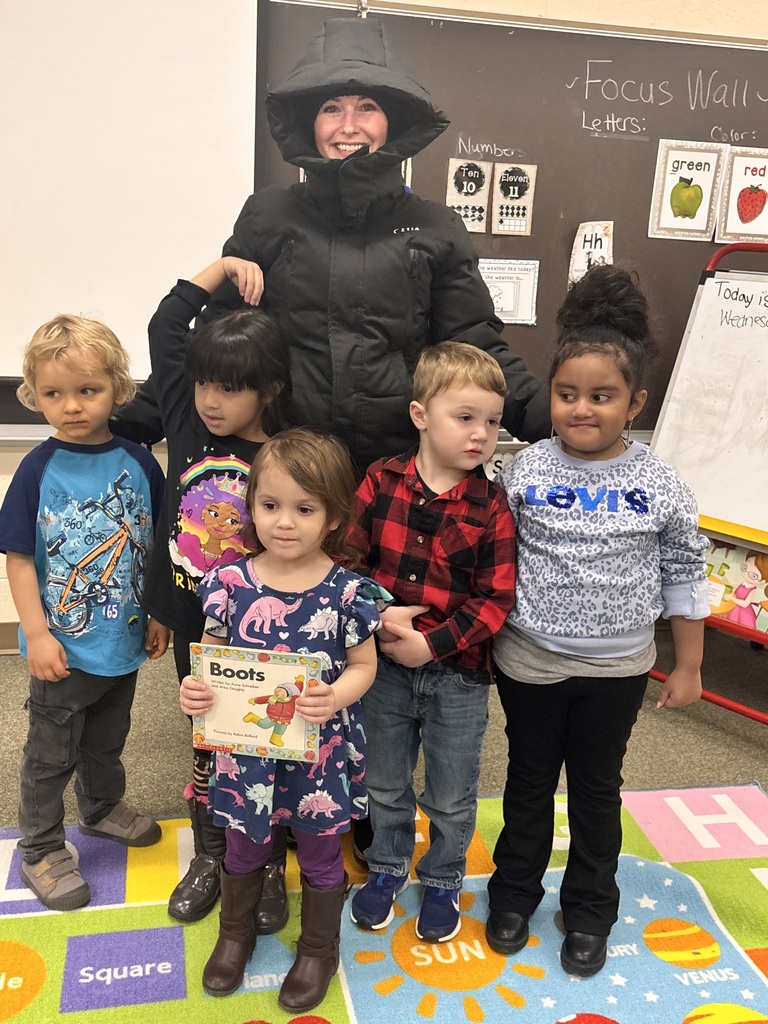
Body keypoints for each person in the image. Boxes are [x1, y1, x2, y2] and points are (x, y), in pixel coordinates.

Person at [113, 15, 549, 474]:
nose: (348, 126)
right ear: (309, 121)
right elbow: (217, 343)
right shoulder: (269, 215)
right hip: (288, 472)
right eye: (331, 108)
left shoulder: (434, 226)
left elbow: (475, 346)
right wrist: (121, 428)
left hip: (393, 475)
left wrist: (560, 421)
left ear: (393, 120)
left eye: (366, 106)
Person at [485, 265, 709, 977]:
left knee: (596, 790)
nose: (583, 409)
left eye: (603, 397)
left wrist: (692, 664)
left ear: (635, 401)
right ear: (548, 396)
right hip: (529, 663)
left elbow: (684, 574)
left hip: (617, 671)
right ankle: (514, 894)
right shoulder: (521, 472)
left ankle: (589, 910)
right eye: (567, 394)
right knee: (526, 782)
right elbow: (491, 558)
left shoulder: (661, 483)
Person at [178, 429, 391, 1011]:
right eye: (270, 505)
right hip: (245, 755)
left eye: (305, 508)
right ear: (251, 508)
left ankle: (320, 947)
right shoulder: (229, 584)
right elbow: (209, 661)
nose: (285, 522)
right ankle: (236, 932)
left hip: (319, 755)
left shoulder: (348, 594)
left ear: (333, 517)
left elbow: (364, 666)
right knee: (243, 847)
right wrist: (194, 692)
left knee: (322, 851)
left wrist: (337, 694)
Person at [346, 342, 516, 943]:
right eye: (464, 417)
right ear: (421, 414)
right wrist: (381, 615)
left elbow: (495, 599)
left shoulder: (491, 504)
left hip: (458, 676)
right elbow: (344, 562)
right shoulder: (380, 481)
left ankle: (443, 876)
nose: (481, 434)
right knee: (384, 781)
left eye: (492, 422)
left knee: (451, 790)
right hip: (384, 666)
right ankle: (389, 866)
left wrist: (433, 644)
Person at [141, 256, 293, 927]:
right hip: (199, 629)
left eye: (230, 388)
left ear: (268, 390)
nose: (210, 399)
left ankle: (265, 861)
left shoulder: (289, 452)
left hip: (266, 633)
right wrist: (223, 267)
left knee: (266, 744)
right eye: (204, 382)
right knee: (206, 739)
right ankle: (210, 852)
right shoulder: (187, 423)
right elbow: (166, 322)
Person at [0, 314, 165, 911]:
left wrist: (158, 613)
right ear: (34, 396)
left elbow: (149, 545)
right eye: (53, 394)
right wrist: (36, 633)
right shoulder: (38, 469)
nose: (70, 406)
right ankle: (41, 847)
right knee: (50, 754)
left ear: (118, 390)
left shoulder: (141, 464)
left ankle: (99, 809)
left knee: (107, 739)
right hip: (61, 651)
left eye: (87, 390)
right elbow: (19, 560)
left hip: (120, 643)